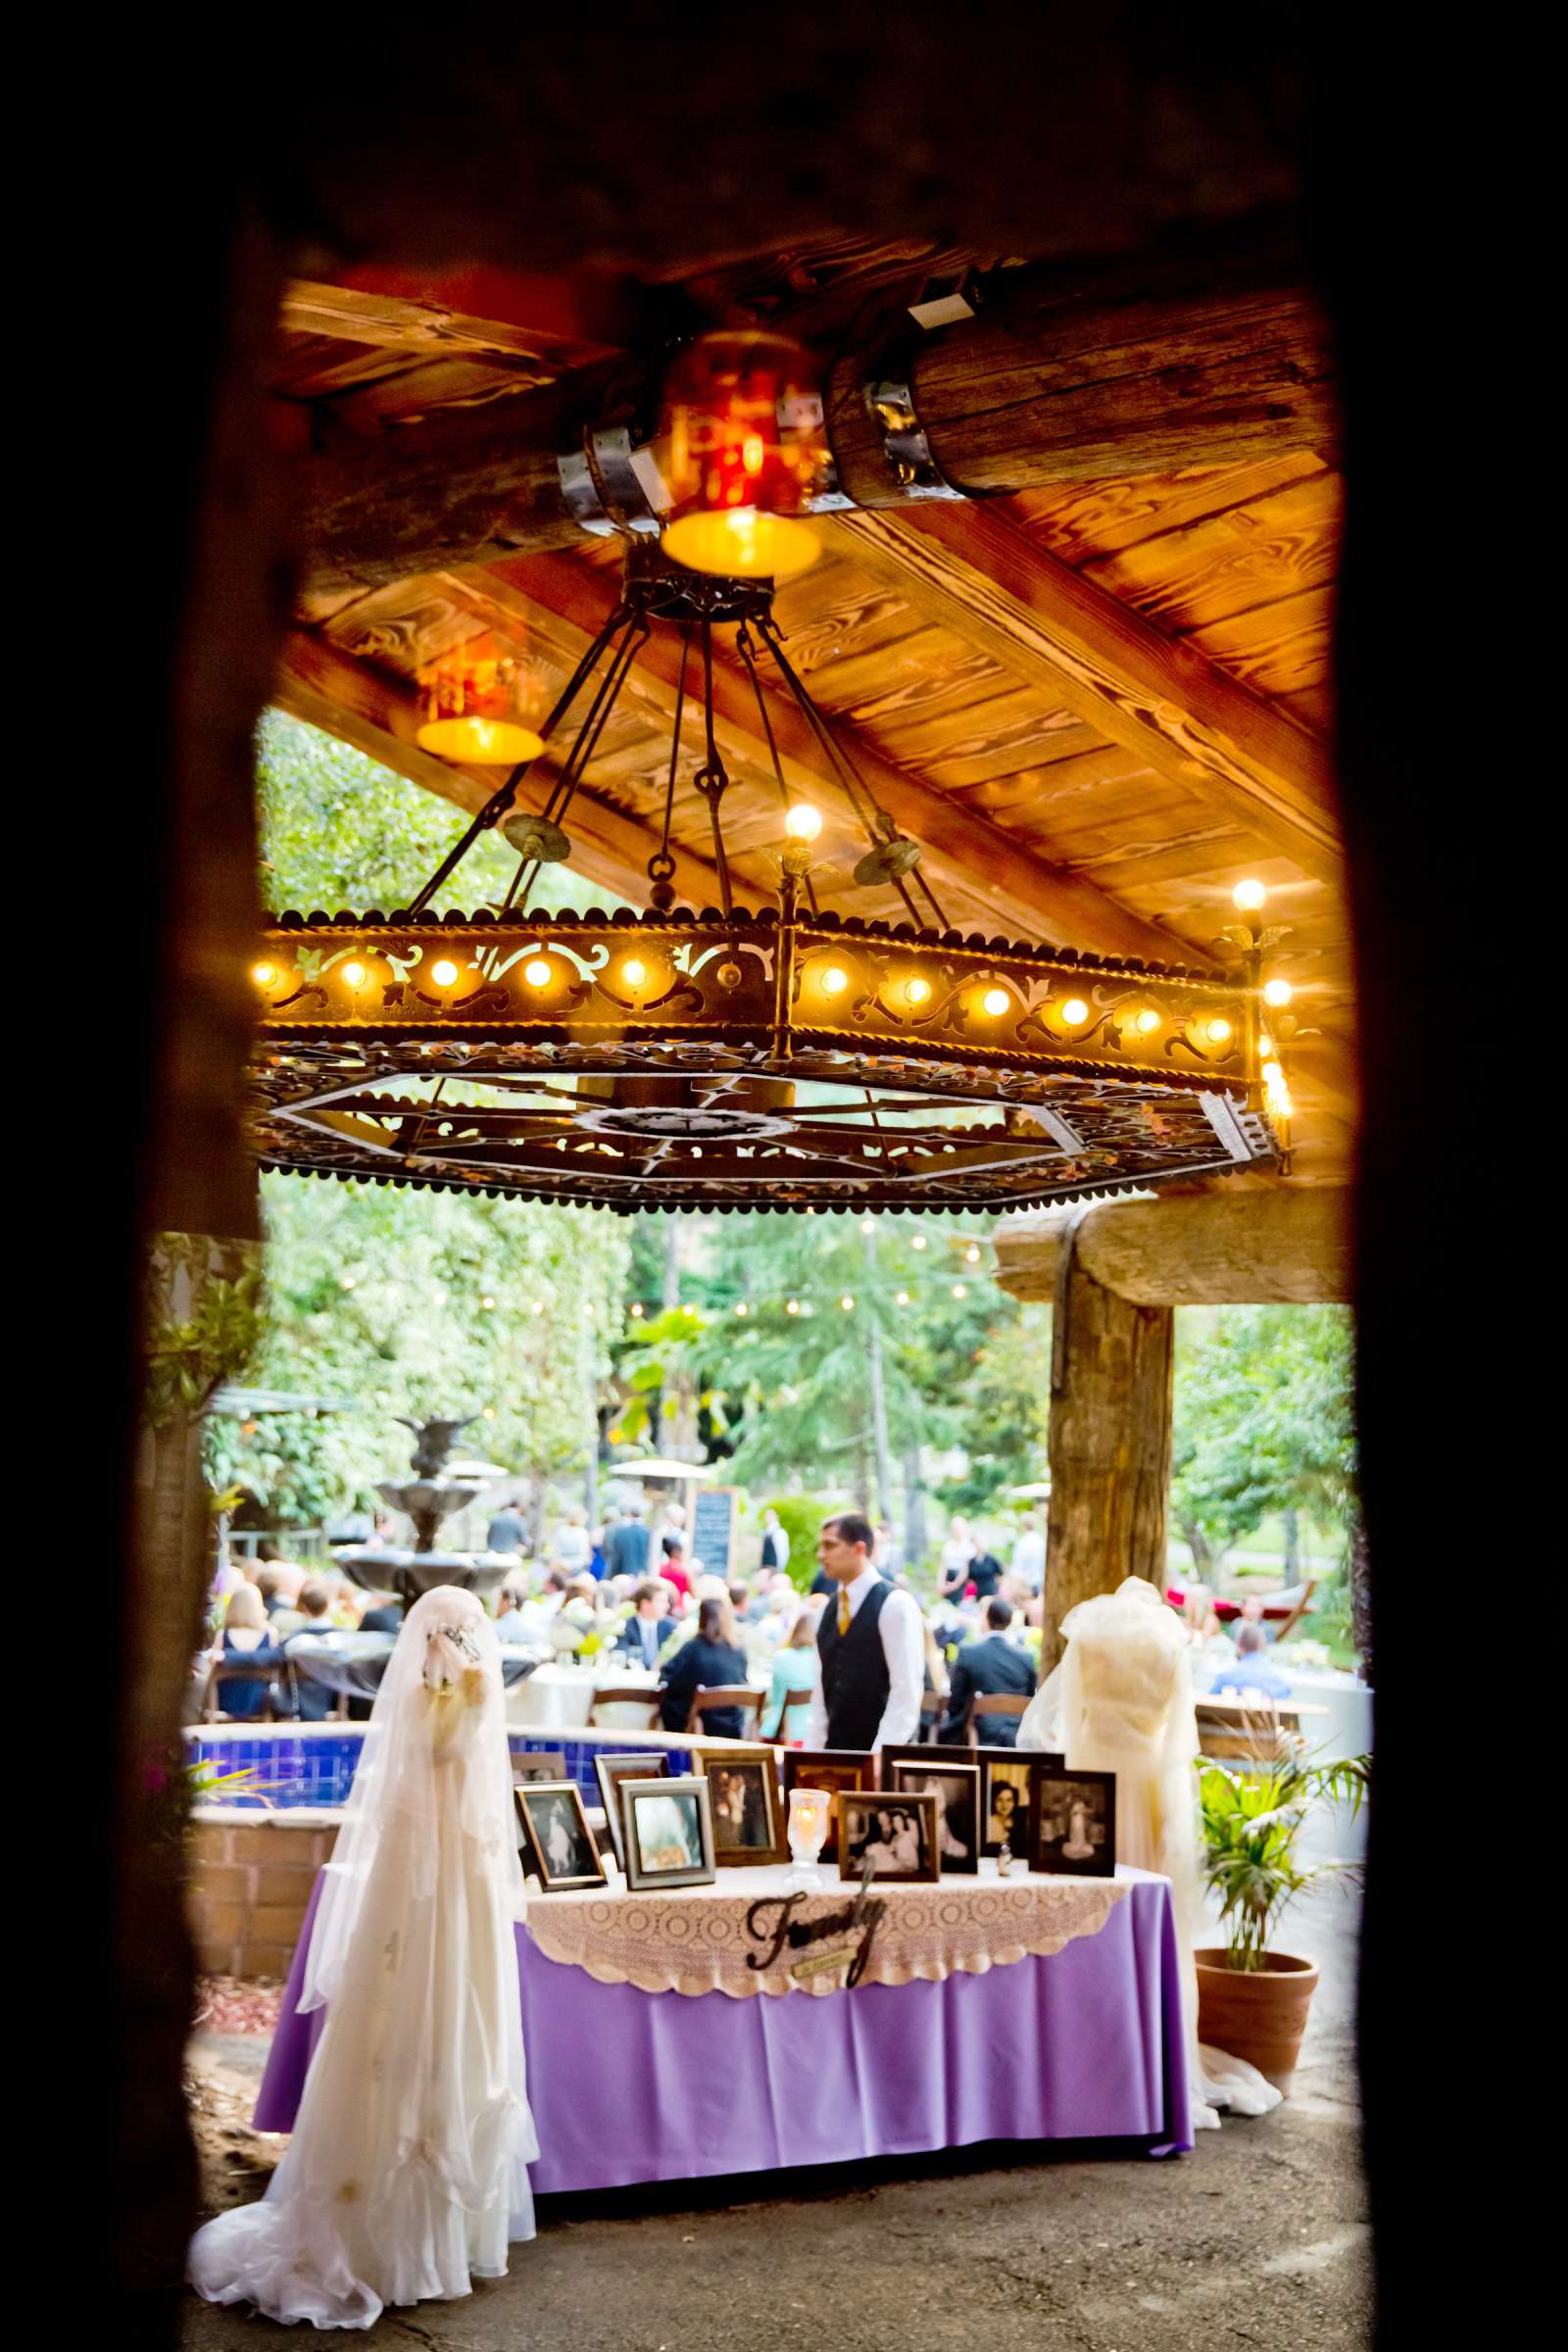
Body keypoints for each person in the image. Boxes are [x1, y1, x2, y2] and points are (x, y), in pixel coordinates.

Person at [188, 1588, 538, 2327]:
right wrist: (465, 1695)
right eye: (461, 1632)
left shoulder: (450, 1680)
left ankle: (439, 2232)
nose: (467, 1642)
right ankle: (393, 2232)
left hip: (454, 1876)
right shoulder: (438, 1683)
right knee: (410, 2010)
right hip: (426, 1877)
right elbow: (437, 1753)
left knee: (451, 2010)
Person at [1017, 1575, 1282, 2132]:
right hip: (1146, 1780)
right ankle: (1151, 2051)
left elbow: (1058, 1718)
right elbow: (1180, 1739)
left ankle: (1083, 2053)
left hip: (1089, 1774)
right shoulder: (1168, 1641)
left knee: (1084, 1914)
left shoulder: (1090, 1633)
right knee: (1152, 1925)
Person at [806, 1514, 923, 1751]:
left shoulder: (894, 1604)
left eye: (830, 1545)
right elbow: (820, 1693)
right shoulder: (825, 1611)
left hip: (881, 1755)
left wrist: (880, 1755)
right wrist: (813, 1754)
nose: (821, 1555)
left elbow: (906, 1691)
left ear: (859, 1548)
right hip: (834, 1754)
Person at [940, 1596, 1037, 1745]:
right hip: (1016, 1737)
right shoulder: (1026, 1658)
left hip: (977, 1737)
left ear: (985, 1619)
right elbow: (1030, 1699)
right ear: (1009, 1621)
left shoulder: (969, 1653)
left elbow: (955, 1701)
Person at [658, 1595, 749, 1736]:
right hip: (731, 1724)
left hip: (700, 1724)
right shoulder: (738, 1650)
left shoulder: (694, 1647)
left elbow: (669, 1677)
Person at [209, 1586, 286, 1720]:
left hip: (223, 1704)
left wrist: (227, 1656)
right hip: (259, 1705)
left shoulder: (222, 1636)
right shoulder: (270, 1635)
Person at [278, 1579, 339, 1722]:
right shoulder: (343, 1638)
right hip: (332, 1703)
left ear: (304, 1608)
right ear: (329, 1606)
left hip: (298, 1706)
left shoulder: (291, 1639)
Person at [758, 1608, 818, 1739]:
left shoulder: (781, 1657)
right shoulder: (820, 1660)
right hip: (812, 1729)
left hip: (782, 1729)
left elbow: (774, 1697)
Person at [1212, 1621, 1294, 1700]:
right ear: (1262, 1644)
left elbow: (1210, 1701)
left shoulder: (1226, 1677)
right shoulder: (1279, 1680)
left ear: (1238, 1644)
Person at [616, 1579, 673, 1671]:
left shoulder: (671, 1627)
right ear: (645, 1604)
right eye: (661, 1601)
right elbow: (622, 1658)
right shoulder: (625, 1627)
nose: (667, 1606)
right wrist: (651, 1667)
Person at [606, 1505, 651, 1581]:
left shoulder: (620, 1532)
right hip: (643, 1574)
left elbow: (616, 1557)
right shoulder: (649, 1532)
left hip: (623, 1574)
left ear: (629, 1515)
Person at [937, 1515, 977, 1601]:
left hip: (962, 1582)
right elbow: (943, 1566)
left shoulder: (969, 1547)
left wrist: (954, 1585)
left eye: (959, 1528)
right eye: (954, 1528)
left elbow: (966, 1568)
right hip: (948, 1578)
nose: (956, 1530)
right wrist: (940, 1583)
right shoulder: (948, 1546)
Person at [1011, 1514, 1046, 1596]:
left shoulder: (1022, 1543)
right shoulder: (1041, 1541)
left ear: (1023, 1525)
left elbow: (1017, 1570)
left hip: (1027, 1586)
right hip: (1040, 1584)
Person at [659, 1534, 693, 1604]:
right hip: (679, 1608)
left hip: (664, 1606)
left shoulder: (661, 1569)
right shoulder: (684, 1569)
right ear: (676, 1552)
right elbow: (692, 1592)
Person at [759, 1507, 790, 1573]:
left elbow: (783, 1553)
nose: (768, 1517)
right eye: (766, 1515)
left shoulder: (780, 1533)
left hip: (774, 1569)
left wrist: (779, 1570)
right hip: (764, 1569)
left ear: (776, 1516)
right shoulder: (765, 1532)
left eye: (771, 1515)